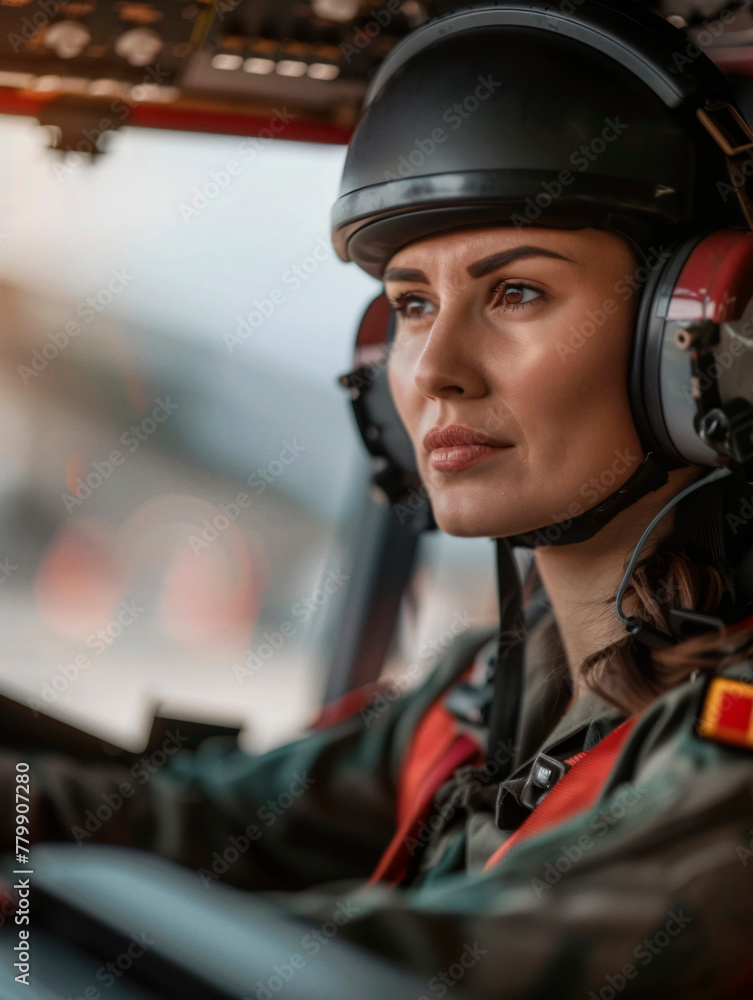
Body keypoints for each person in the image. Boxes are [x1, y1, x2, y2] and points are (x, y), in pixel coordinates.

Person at [5, 1, 753, 996]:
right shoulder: (485, 691)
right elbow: (193, 819)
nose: (435, 367)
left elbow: (468, 964)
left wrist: (38, 920)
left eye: (517, 292)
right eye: (410, 304)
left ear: (688, 344)